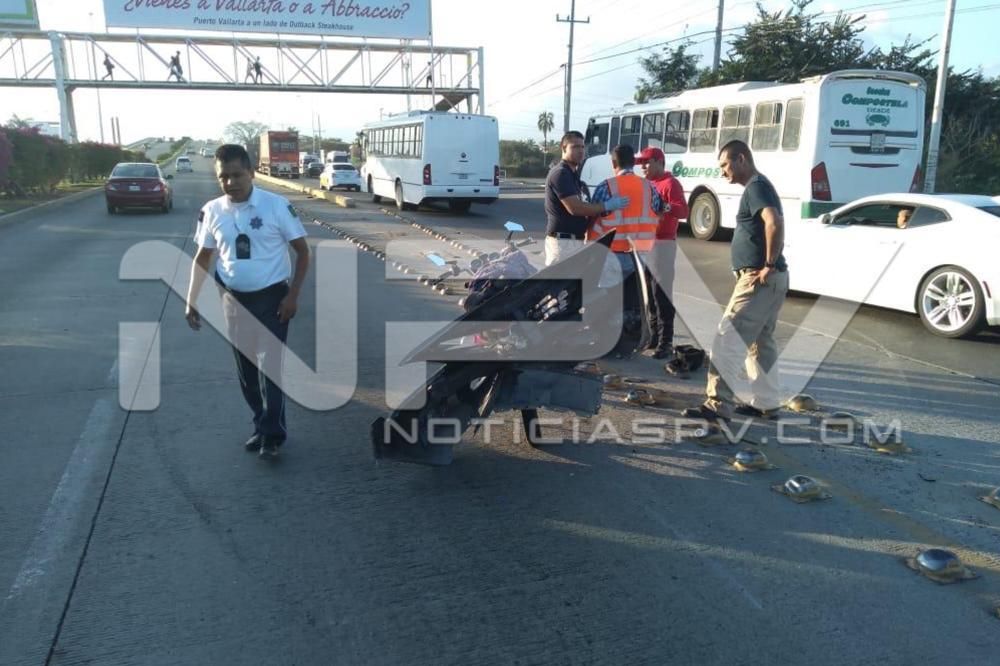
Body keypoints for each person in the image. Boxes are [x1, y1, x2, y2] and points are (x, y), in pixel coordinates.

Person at [185, 144, 310, 460]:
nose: (230, 183)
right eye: (223, 177)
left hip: (272, 298)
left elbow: (303, 252)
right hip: (232, 299)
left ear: (252, 173)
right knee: (247, 372)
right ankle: (261, 424)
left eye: (237, 175)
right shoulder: (212, 211)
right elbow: (202, 258)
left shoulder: (276, 206)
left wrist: (293, 295)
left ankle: (273, 435)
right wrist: (191, 300)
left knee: (270, 369)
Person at [683, 140, 788, 422]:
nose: (722, 172)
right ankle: (767, 403)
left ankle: (718, 405)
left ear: (741, 159)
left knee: (727, 338)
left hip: (759, 279)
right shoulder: (760, 186)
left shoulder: (756, 187)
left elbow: (774, 222)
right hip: (771, 279)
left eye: (725, 165)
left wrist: (768, 264)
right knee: (761, 343)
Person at [544, 131, 629, 267]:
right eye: (575, 147)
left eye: (582, 147)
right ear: (564, 148)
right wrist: (606, 206)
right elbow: (575, 208)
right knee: (561, 280)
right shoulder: (560, 174)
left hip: (574, 241)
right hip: (563, 242)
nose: (581, 151)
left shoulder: (573, 175)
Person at [637, 146, 688, 359]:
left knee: (662, 294)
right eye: (641, 164)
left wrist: (663, 207)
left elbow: (683, 211)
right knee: (649, 294)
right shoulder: (645, 184)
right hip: (645, 244)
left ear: (659, 162)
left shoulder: (670, 183)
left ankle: (665, 341)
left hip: (663, 245)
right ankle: (654, 337)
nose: (643, 167)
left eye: (646, 163)